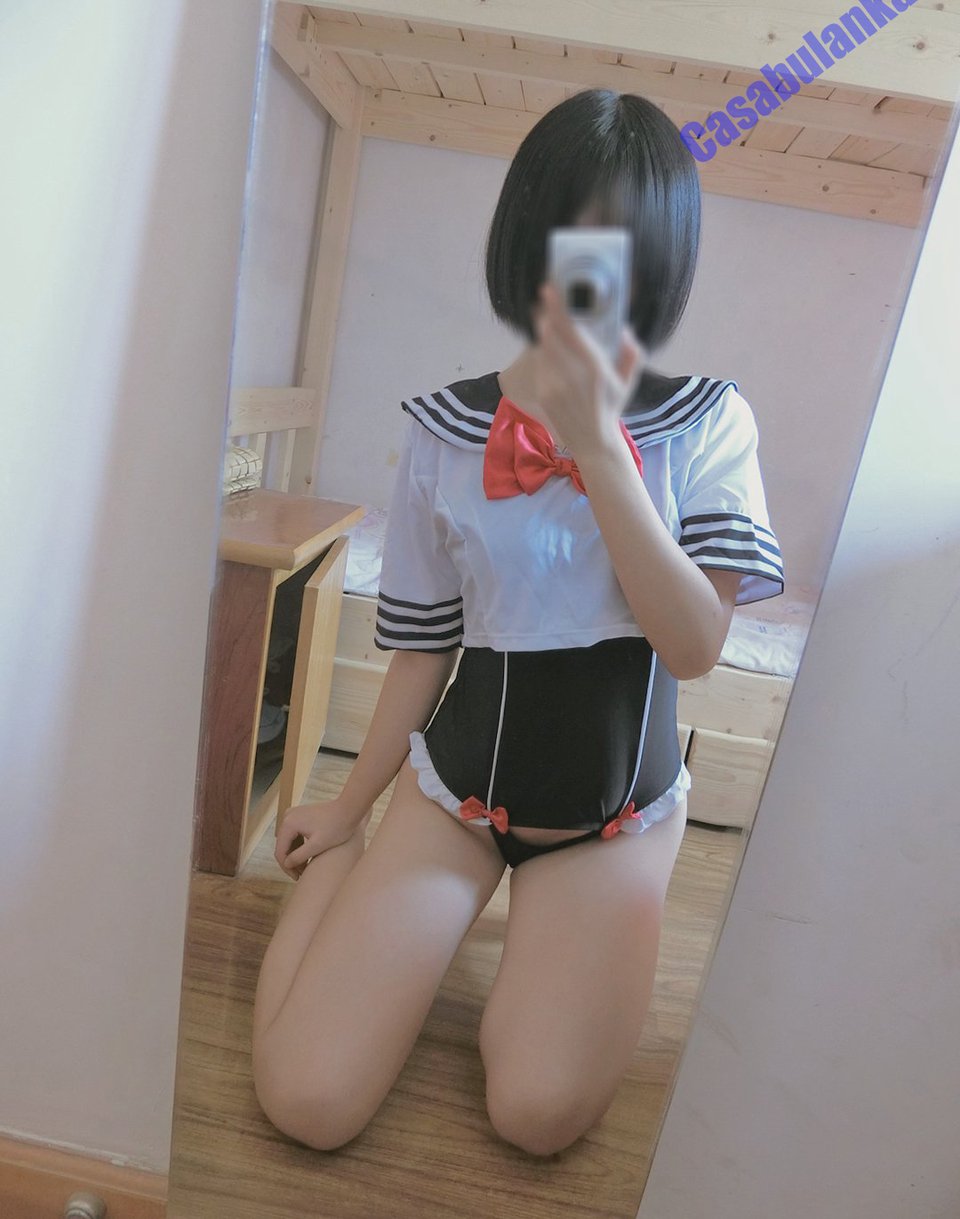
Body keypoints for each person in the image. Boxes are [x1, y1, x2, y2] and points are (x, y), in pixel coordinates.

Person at [251, 88, 783, 1158]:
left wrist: (598, 447)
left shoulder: (709, 422)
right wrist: (348, 806)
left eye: (624, 246)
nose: (588, 274)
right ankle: (359, 882)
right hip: (453, 797)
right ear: (523, 242)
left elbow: (693, 647)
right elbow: (425, 648)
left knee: (535, 1114)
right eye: (565, 238)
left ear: (662, 260)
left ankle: (541, 957)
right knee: (307, 1101)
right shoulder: (445, 429)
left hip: (615, 818)